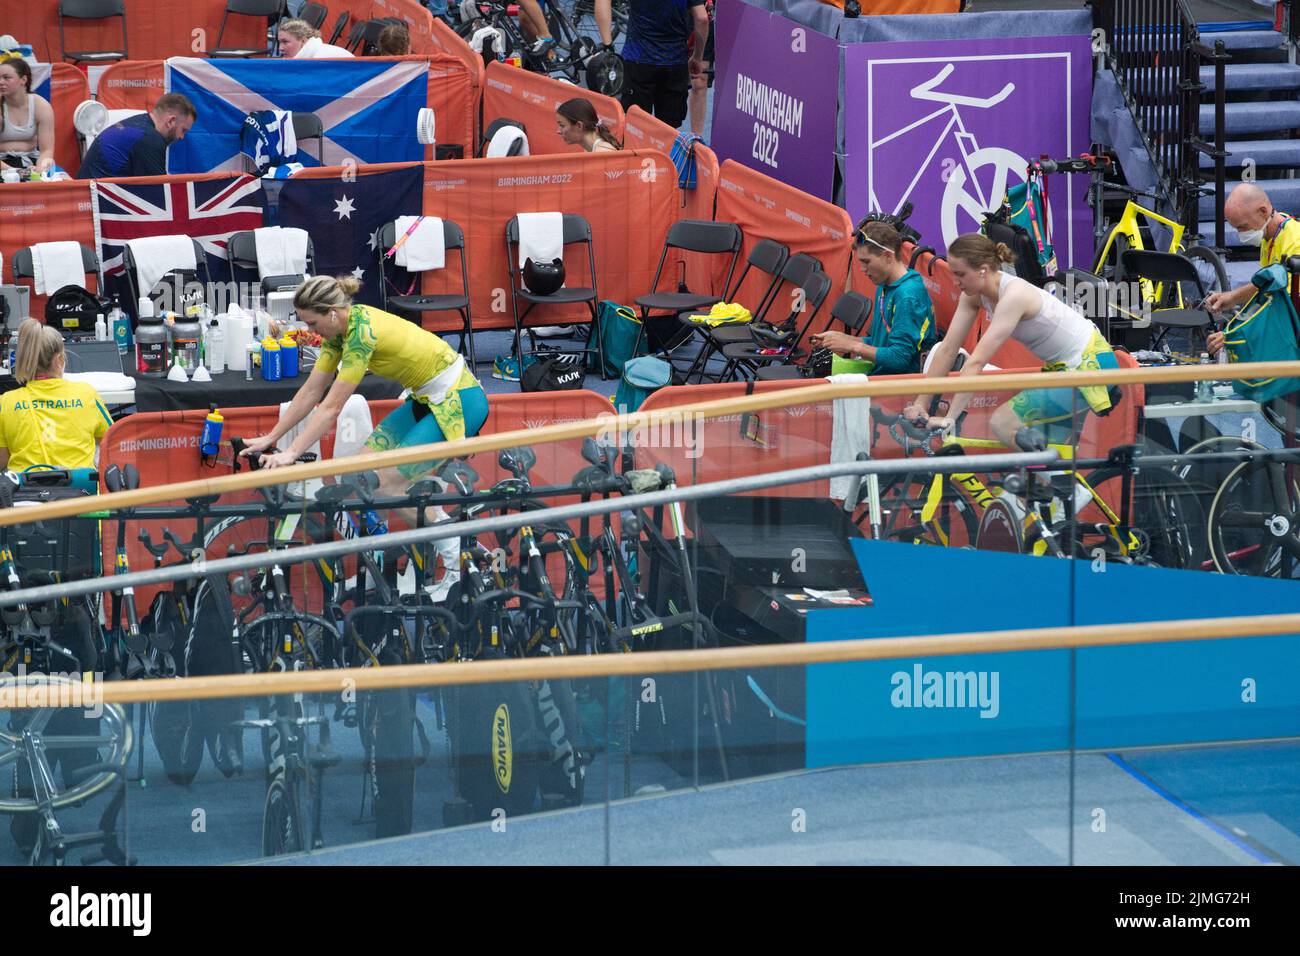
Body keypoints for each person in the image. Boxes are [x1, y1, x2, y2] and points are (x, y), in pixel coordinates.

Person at [243, 276, 489, 501]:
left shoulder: (361, 334)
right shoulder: (338, 332)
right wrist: (272, 437)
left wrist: (292, 453)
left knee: (384, 486)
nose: (309, 331)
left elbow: (331, 408)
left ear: (331, 313)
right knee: (359, 472)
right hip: (428, 399)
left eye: (312, 323)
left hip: (459, 400)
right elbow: (311, 391)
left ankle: (449, 546)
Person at [906, 233, 1120, 448]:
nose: (954, 281)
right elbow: (947, 350)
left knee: (1002, 423)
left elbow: (977, 362)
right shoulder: (973, 294)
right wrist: (921, 403)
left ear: (983, 270)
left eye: (960, 274)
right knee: (1045, 457)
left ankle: (1046, 478)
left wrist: (950, 418)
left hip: (1090, 366)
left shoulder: (1013, 296)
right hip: (1065, 368)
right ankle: (1052, 481)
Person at [810, 220, 937, 374]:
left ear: (888, 256)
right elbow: (881, 345)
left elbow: (900, 358)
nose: (863, 269)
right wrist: (842, 339)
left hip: (897, 389)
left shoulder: (908, 297)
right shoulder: (884, 286)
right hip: (878, 377)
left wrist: (853, 346)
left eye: (866, 262)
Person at [0, 320, 112, 472]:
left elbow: (2, 460)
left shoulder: (6, 402)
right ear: (59, 360)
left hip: (25, 493)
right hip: (83, 492)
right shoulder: (86, 394)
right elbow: (112, 440)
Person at [1204, 183, 1300, 318]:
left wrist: (1235, 333)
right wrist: (1231, 297)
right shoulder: (1270, 234)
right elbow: (1265, 286)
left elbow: (1284, 304)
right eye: (1236, 228)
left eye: (1243, 226)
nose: (1241, 234)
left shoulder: (1295, 242)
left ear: (1263, 211)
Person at [620, 0, 708, 131]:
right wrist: (697, 57)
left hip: (638, 60)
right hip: (675, 62)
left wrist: (607, 43)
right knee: (668, 130)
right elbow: (702, 18)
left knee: (635, 127)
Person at [76, 93, 196, 180]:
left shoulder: (140, 124)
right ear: (171, 121)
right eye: (183, 130)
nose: (181, 137)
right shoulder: (149, 139)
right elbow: (159, 195)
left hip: (89, 196)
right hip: (94, 205)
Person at [0, 55, 55, 175]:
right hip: (3, 164)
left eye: (6, 78)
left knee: (57, 175)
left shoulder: (41, 106)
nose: (1, 82)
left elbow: (47, 151)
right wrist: (15, 172)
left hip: (32, 162)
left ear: (23, 80)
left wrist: (40, 170)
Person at [687, 0, 714, 138]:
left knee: (699, 81)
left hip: (726, 12)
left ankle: (695, 140)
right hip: (701, 11)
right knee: (698, 80)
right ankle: (695, 139)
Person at [556, 98, 621, 152]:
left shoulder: (602, 153)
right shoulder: (590, 149)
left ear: (579, 126)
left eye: (562, 125)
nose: (558, 131)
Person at [276, 18, 355, 58]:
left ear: (303, 40)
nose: (280, 48)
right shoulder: (313, 54)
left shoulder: (322, 58)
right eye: (280, 42)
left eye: (285, 42)